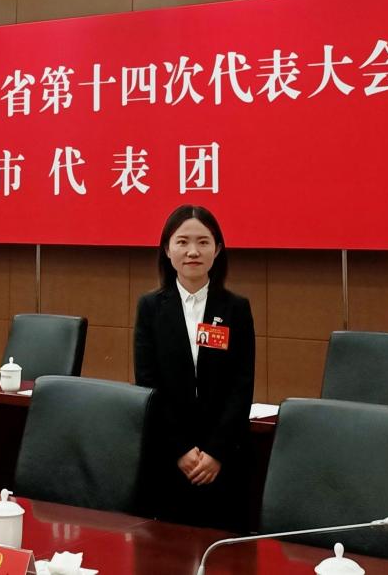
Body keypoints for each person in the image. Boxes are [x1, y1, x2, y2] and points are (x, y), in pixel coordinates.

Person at [133, 204, 255, 531]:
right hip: (168, 456)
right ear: (167, 249)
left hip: (223, 458)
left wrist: (216, 452)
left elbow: (242, 385)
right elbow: (147, 384)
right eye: (182, 242)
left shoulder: (236, 308)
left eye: (203, 242)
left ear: (218, 249)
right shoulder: (150, 307)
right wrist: (181, 449)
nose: (192, 252)